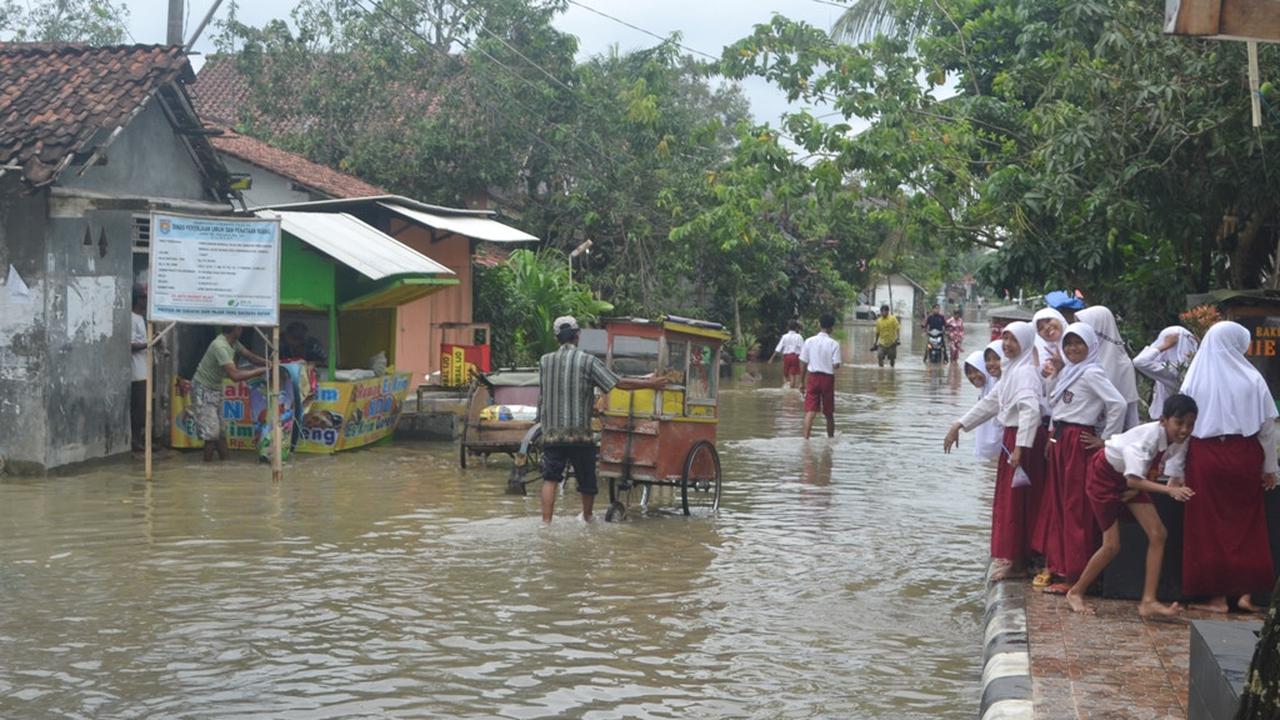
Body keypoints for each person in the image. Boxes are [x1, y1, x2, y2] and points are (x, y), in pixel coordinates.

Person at [1165, 321, 1279, 613]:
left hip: (1206, 458)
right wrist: (1270, 467)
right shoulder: (1252, 379)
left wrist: (1176, 470)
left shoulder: (1195, 380)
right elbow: (1267, 428)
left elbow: (1182, 432)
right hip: (1244, 455)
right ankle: (1245, 593)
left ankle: (1216, 598)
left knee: (1207, 526)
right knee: (1248, 523)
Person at [1065, 393, 1197, 618]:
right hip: (1105, 478)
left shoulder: (1175, 440)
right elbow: (1133, 480)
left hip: (1131, 477)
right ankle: (1075, 591)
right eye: (1179, 423)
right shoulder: (1147, 440)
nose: (1184, 430)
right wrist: (1169, 490)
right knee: (1112, 546)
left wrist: (1168, 482)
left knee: (1158, 534)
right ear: (1163, 420)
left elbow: (1151, 472)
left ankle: (1148, 601)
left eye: (1190, 425)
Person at [944, 322, 1049, 581]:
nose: (1007, 345)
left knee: (1017, 503)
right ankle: (1017, 556)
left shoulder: (1024, 372)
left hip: (1023, 443)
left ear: (1025, 342)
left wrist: (1020, 448)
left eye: (1013, 340)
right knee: (1013, 501)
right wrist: (960, 424)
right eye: (1005, 339)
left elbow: (1030, 411)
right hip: (1017, 442)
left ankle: (1019, 561)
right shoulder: (1012, 370)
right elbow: (991, 402)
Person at [537, 316, 666, 523]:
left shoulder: (544, 361)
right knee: (587, 481)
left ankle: (546, 523)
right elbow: (617, 383)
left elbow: (543, 395)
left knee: (550, 478)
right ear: (577, 336)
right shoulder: (587, 361)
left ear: (556, 338)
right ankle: (587, 518)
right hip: (579, 435)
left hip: (552, 433)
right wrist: (650, 383)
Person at [1040, 322, 1127, 593]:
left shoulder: (1091, 373)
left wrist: (1106, 440)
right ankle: (1062, 567)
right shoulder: (1071, 372)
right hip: (1061, 439)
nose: (1073, 348)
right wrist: (1052, 436)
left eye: (1079, 343)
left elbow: (1118, 404)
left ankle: (1077, 576)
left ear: (1090, 345)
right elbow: (1058, 404)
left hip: (1078, 442)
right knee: (1060, 504)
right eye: (1069, 343)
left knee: (1075, 507)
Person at [191, 326, 268, 462]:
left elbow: (250, 356)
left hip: (216, 388)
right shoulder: (220, 346)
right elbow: (235, 376)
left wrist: (269, 363)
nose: (242, 330)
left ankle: (225, 465)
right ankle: (206, 469)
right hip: (203, 389)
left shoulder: (232, 343)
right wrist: (262, 370)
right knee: (211, 434)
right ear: (236, 330)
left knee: (221, 431)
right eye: (241, 327)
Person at [1076, 306, 1140, 430]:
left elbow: (1129, 409)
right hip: (1084, 428)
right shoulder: (1082, 359)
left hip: (1111, 433)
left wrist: (1106, 438)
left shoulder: (1122, 364)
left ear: (1098, 327)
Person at [1133, 326, 1198, 420]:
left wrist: (1163, 346)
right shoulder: (1195, 367)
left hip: (1167, 420)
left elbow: (1139, 361)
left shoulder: (1174, 369)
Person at [799, 313, 841, 439]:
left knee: (810, 411)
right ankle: (830, 439)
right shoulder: (834, 344)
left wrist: (801, 382)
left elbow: (804, 362)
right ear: (831, 328)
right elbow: (836, 365)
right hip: (827, 379)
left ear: (819, 325)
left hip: (812, 377)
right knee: (828, 412)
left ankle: (806, 439)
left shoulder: (809, 341)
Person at [962, 346, 1002, 460]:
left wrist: (958, 425)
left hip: (1000, 450)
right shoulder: (984, 391)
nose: (973, 376)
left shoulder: (997, 386)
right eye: (969, 373)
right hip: (987, 454)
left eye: (976, 371)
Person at [129, 288, 148, 451]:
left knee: (144, 408)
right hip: (137, 371)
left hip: (145, 368)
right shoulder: (132, 318)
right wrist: (149, 344)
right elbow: (131, 345)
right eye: (143, 297)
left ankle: (141, 439)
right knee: (138, 408)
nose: (146, 300)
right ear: (137, 299)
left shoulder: (142, 318)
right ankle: (135, 441)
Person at [1031, 307, 1067, 377]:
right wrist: (1045, 376)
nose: (1046, 327)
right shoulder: (1048, 355)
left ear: (1059, 318)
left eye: (1048, 320)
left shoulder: (1079, 341)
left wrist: (1063, 364)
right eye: (1041, 328)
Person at [769, 320, 805, 389]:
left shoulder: (784, 336)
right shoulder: (799, 337)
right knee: (793, 374)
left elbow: (778, 348)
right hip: (795, 357)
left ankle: (786, 386)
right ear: (797, 328)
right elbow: (803, 349)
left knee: (785, 374)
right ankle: (792, 387)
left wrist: (771, 358)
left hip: (786, 357)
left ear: (788, 327)